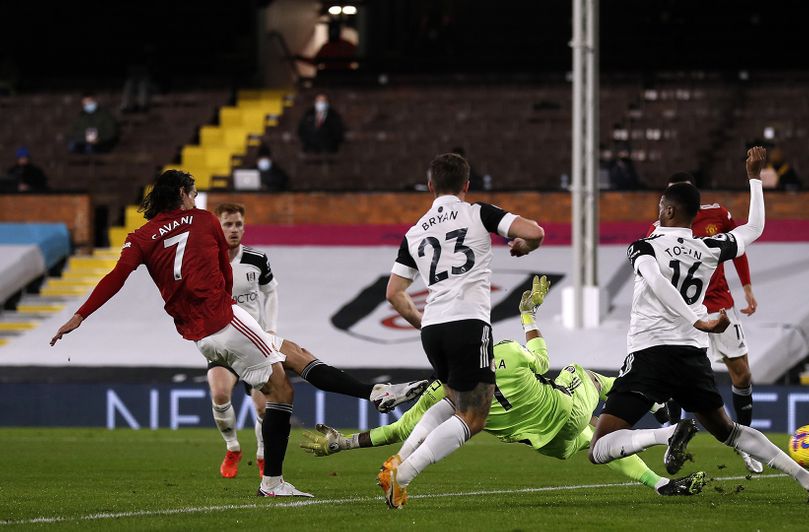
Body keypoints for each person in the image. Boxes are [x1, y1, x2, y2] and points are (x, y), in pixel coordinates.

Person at [50, 171, 426, 497]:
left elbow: (115, 278)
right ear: (182, 194)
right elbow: (224, 271)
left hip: (200, 336)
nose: (195, 199)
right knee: (284, 383)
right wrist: (227, 305)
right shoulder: (202, 219)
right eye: (193, 193)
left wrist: (80, 315)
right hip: (226, 319)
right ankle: (284, 472)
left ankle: (373, 396)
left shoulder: (141, 237)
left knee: (291, 358)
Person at [301, 276, 708, 497]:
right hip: (563, 410)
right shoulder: (509, 351)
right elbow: (543, 361)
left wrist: (345, 443)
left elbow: (399, 430)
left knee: (598, 445)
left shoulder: (445, 387)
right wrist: (529, 316)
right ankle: (657, 408)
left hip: (548, 444)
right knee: (584, 375)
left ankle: (661, 479)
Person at [588, 147, 809, 504]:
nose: (657, 210)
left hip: (650, 354)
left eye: (660, 205)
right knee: (729, 430)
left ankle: (668, 433)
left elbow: (657, 282)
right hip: (691, 356)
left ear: (669, 211)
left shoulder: (644, 247)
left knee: (599, 447)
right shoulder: (709, 248)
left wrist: (697, 319)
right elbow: (755, 228)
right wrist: (754, 178)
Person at [209, 201, 429, 479]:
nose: (234, 229)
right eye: (228, 224)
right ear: (217, 227)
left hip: (253, 337)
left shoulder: (255, 259)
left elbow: (270, 291)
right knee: (229, 391)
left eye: (238, 224)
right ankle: (234, 449)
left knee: (274, 396)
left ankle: (267, 464)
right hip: (225, 340)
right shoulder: (207, 261)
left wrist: (270, 327)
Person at [379, 152, 545, 509]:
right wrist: (524, 245)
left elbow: (394, 292)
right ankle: (403, 475)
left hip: (433, 328)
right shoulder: (478, 213)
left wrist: (423, 323)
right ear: (466, 185)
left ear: (430, 186)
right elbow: (534, 232)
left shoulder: (415, 231)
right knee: (474, 415)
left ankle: (399, 458)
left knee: (452, 401)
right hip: (468, 322)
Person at [648, 171, 762, 474]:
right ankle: (673, 439)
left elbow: (739, 247)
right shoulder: (658, 229)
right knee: (674, 379)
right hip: (685, 314)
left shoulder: (717, 214)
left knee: (742, 375)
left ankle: (745, 445)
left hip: (720, 306)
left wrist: (747, 286)